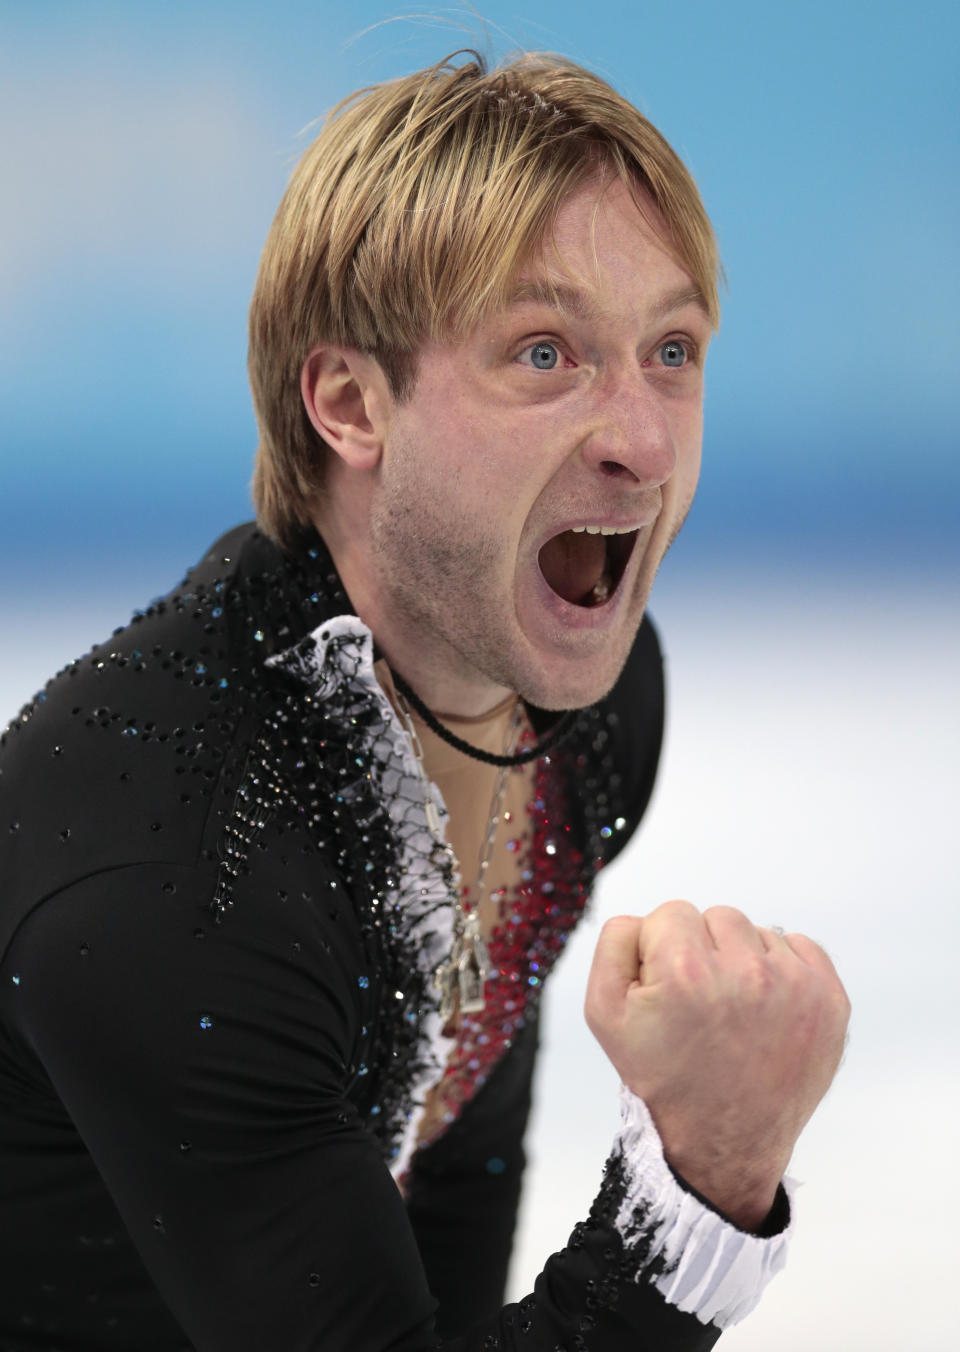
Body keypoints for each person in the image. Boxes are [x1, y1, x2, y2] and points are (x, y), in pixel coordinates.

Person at [0, 50, 849, 1352]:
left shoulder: (587, 719)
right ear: (351, 404)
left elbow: (451, 1122)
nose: (647, 440)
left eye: (670, 349)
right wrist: (695, 1198)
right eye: (545, 351)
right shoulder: (186, 871)